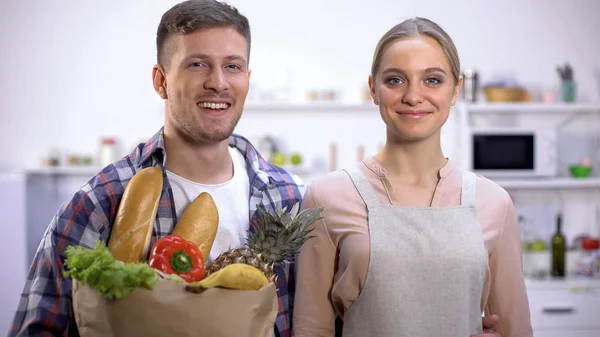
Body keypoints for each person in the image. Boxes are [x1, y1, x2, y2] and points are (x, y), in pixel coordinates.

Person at [8, 1, 303, 336]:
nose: (218, 83)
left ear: (247, 79)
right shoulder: (100, 201)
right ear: (161, 80)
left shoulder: (288, 198)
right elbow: (38, 328)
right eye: (197, 64)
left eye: (232, 66)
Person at [292, 17, 533, 337]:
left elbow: (515, 329)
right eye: (395, 80)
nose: (413, 96)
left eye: (432, 80)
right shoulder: (326, 197)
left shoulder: (493, 203)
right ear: (373, 89)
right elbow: (312, 329)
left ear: (455, 90)